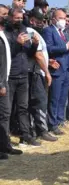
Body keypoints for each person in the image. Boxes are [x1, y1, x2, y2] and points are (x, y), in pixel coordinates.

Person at [5, 8, 41, 146]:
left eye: (21, 18)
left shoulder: (24, 30)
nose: (19, 20)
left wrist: (35, 44)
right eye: (16, 18)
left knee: (23, 107)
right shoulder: (5, 33)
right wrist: (17, 44)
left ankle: (26, 135)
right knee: (6, 110)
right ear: (10, 17)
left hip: (23, 75)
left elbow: (28, 53)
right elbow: (7, 55)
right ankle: (5, 139)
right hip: (10, 76)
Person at [43, 9, 69, 135]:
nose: (63, 20)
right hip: (56, 70)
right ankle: (52, 124)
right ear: (53, 19)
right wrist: (65, 47)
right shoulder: (48, 31)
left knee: (63, 98)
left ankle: (60, 120)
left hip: (66, 70)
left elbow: (67, 50)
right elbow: (49, 48)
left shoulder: (64, 33)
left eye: (64, 18)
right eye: (60, 18)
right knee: (55, 98)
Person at [27, 7, 57, 141]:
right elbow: (37, 55)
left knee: (40, 101)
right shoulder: (30, 32)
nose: (42, 23)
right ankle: (41, 130)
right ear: (32, 20)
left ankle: (38, 129)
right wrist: (47, 72)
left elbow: (41, 54)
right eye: (39, 20)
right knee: (40, 101)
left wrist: (48, 61)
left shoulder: (36, 32)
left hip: (40, 70)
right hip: (36, 72)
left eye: (43, 20)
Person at [0, 4, 23, 160]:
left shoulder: (3, 34)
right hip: (1, 82)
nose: (5, 17)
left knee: (5, 114)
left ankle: (5, 145)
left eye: (7, 14)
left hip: (5, 79)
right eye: (3, 14)